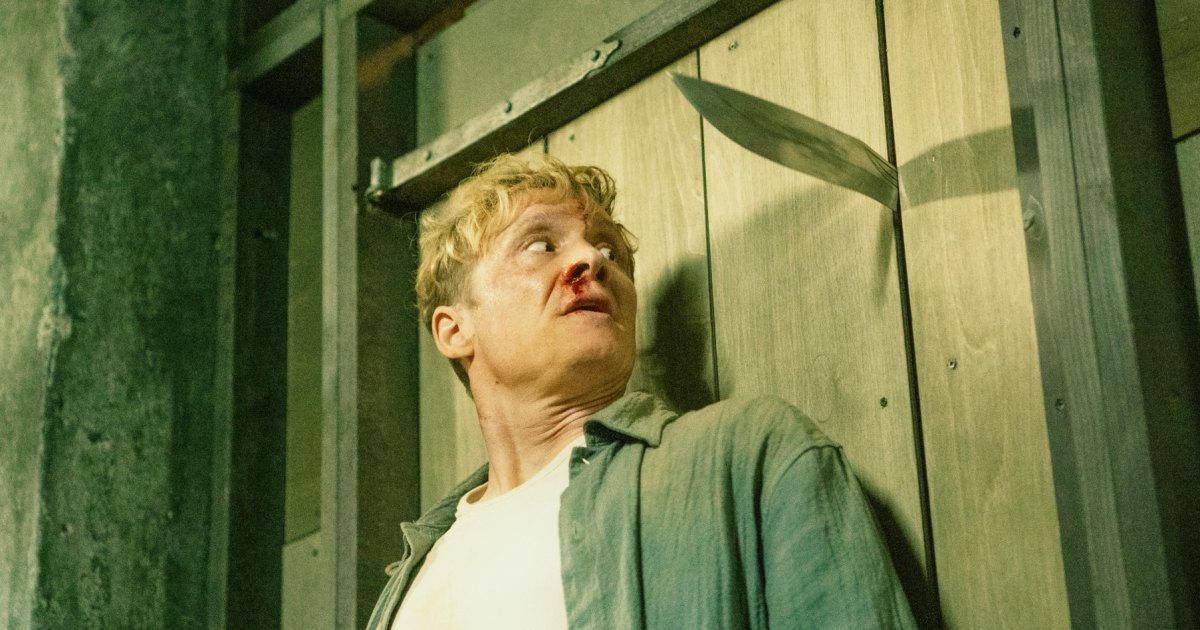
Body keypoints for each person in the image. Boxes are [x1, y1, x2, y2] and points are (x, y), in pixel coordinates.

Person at [366, 153, 917, 629]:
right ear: (454, 330)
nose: (590, 261)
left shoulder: (748, 455)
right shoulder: (414, 574)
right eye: (541, 244)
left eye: (610, 252)